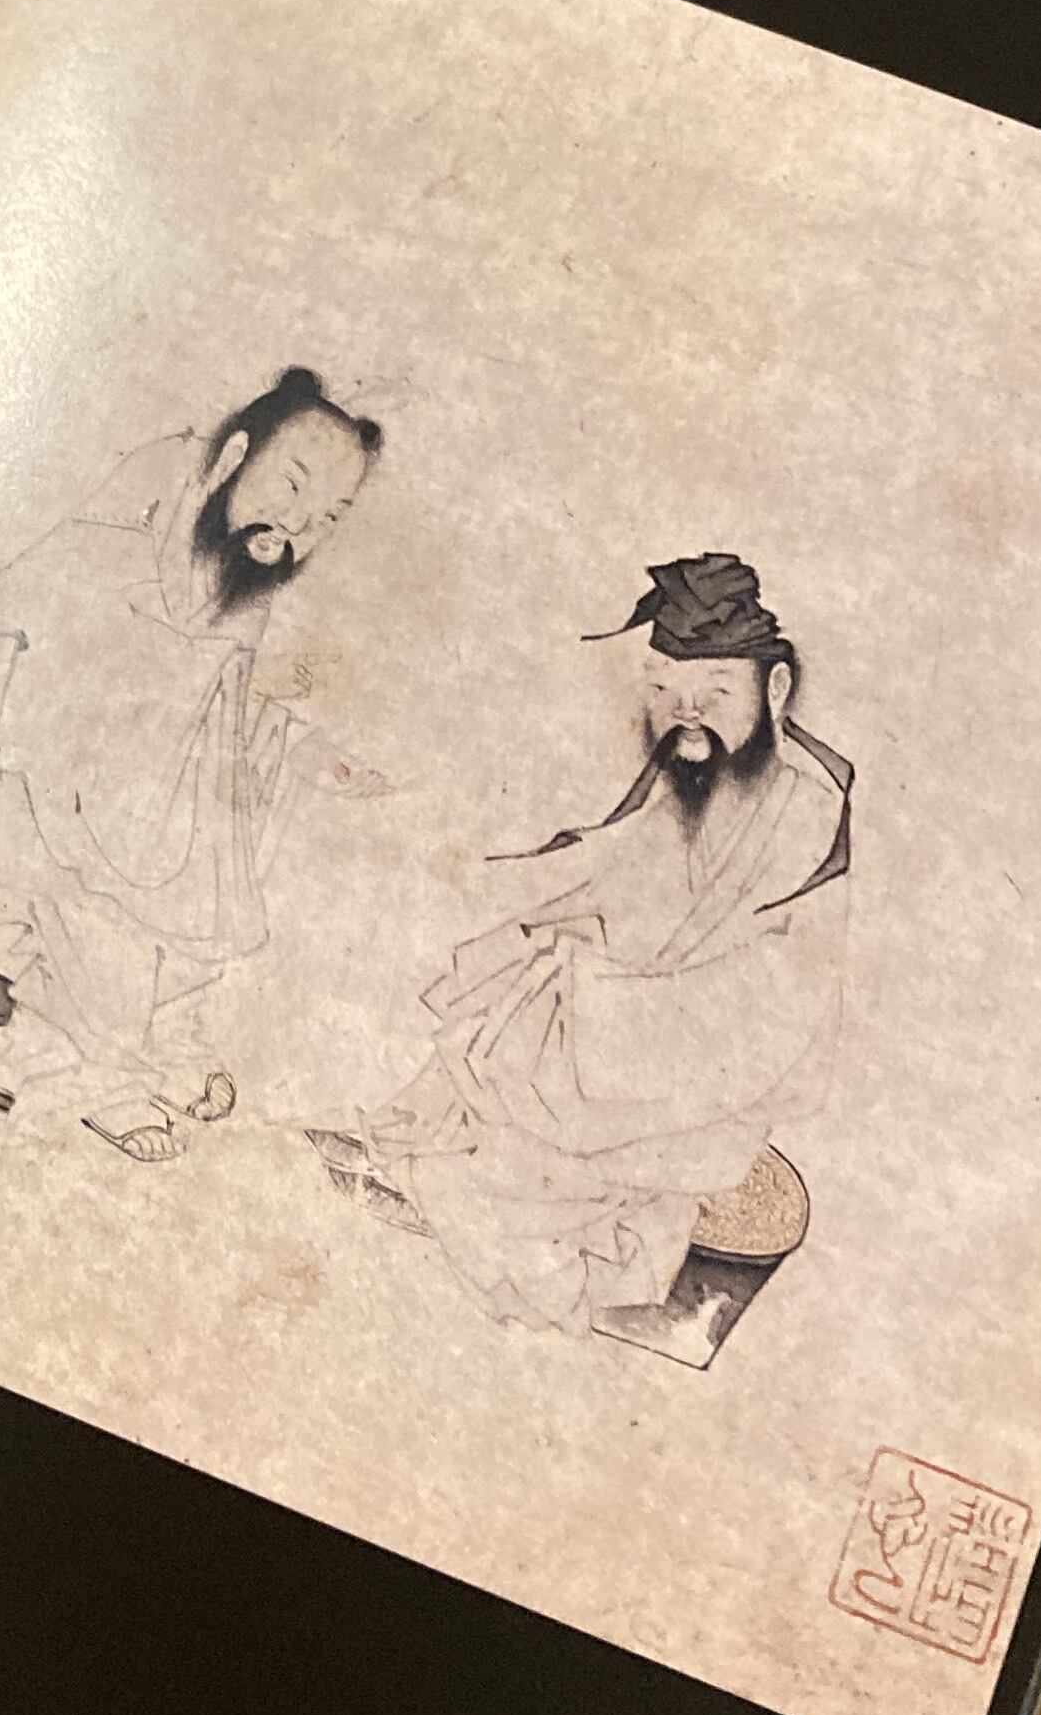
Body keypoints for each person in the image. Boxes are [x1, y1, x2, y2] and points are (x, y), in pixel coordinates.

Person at [320, 552, 852, 1345]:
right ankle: (422, 1135)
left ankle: (456, 1177)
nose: (687, 714)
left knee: (549, 1014)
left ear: (774, 689)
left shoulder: (810, 815)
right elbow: (612, 870)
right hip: (632, 1020)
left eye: (714, 694)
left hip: (712, 1065)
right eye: (666, 693)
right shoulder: (693, 782)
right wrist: (509, 901)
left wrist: (607, 984)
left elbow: (780, 999)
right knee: (529, 960)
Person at [0, 367, 387, 1161]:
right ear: (233, 457)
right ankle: (105, 1075)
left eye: (327, 516)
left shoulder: (244, 582)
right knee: (112, 881)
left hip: (127, 796)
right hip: (15, 764)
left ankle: (166, 1024)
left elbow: (218, 709)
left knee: (220, 831)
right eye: (292, 486)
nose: (297, 526)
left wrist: (298, 749)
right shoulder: (126, 524)